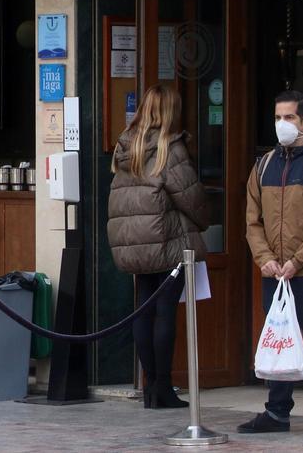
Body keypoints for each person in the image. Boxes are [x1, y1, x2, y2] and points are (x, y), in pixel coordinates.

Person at [239, 90, 303, 438]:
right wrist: (265, 259)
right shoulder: (264, 165)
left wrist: (297, 261)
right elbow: (252, 220)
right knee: (277, 338)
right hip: (275, 273)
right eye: (277, 118)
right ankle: (277, 410)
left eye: (288, 118)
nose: (281, 124)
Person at [106, 84, 209, 409]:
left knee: (143, 312)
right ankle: (163, 386)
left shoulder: (126, 146)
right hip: (165, 241)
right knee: (165, 312)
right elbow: (192, 200)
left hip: (132, 243)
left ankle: (151, 384)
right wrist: (206, 219)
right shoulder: (169, 149)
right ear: (170, 112)